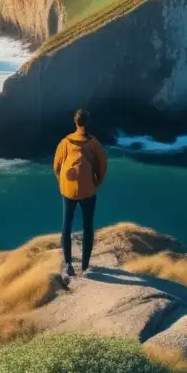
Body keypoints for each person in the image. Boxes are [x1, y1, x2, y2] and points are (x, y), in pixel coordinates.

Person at [53, 109, 109, 276]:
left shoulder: (65, 142)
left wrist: (62, 183)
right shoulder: (93, 143)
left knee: (67, 224)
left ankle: (69, 264)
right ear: (88, 122)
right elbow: (103, 165)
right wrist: (96, 182)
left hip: (68, 190)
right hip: (88, 191)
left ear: (75, 122)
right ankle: (85, 265)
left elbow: (56, 166)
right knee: (87, 226)